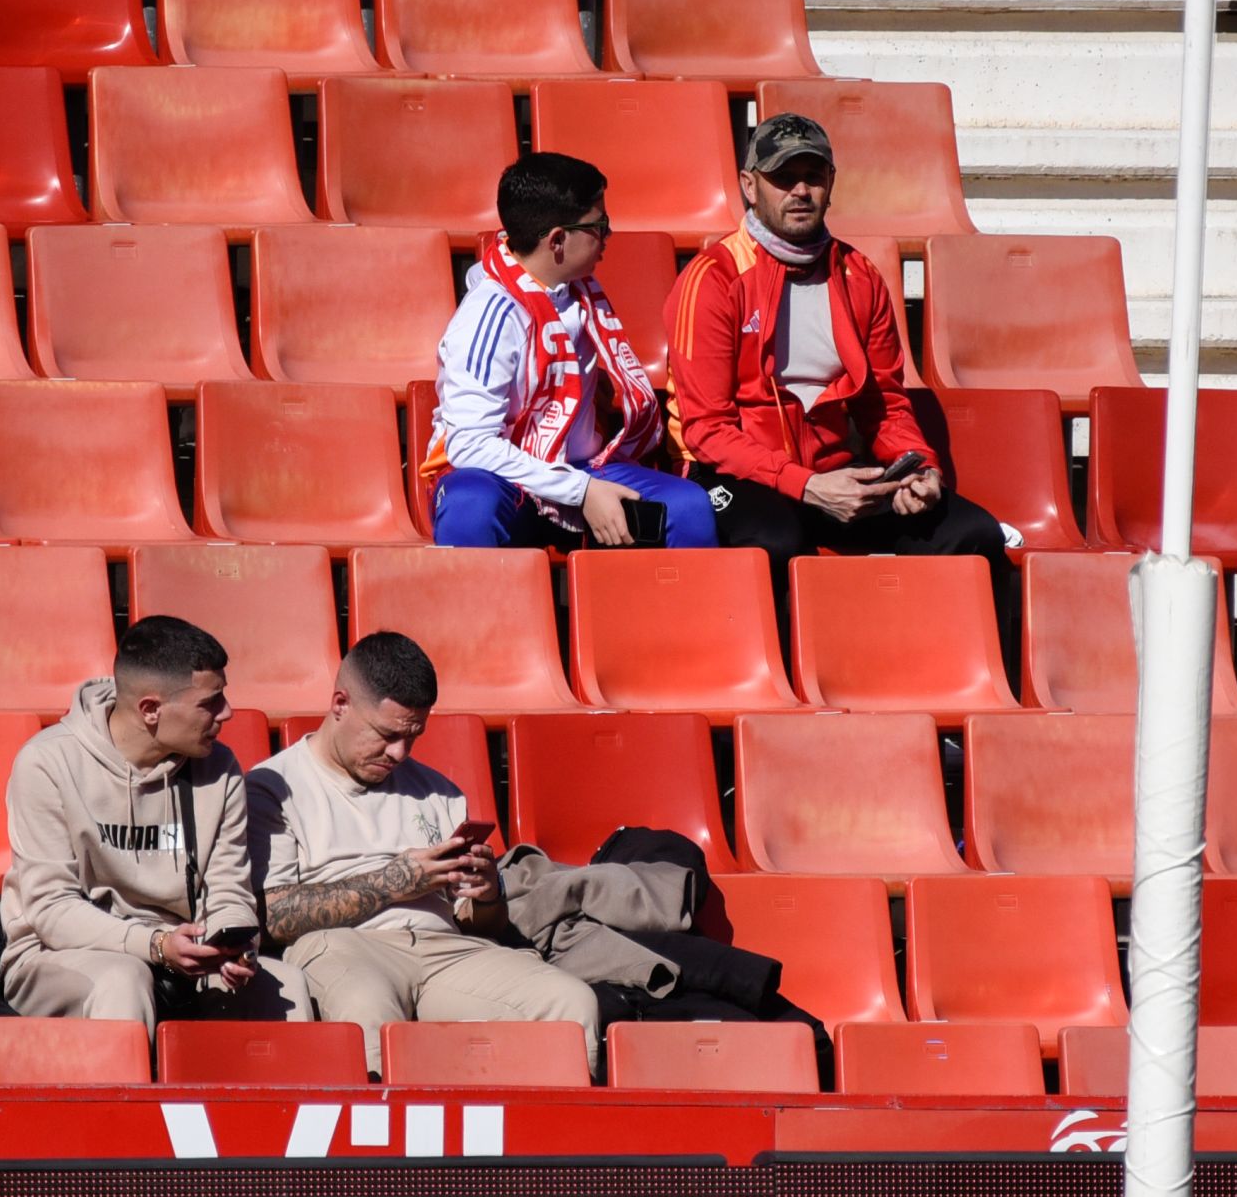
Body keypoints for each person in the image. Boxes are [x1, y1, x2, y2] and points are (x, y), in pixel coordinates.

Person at [665, 112, 1009, 605]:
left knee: (972, 534)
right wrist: (805, 486)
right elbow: (707, 430)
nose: (799, 191)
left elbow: (885, 404)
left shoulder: (859, 276)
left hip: (836, 477)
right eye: (782, 178)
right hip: (730, 476)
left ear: (831, 183)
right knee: (774, 544)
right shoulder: (712, 279)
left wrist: (920, 469)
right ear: (748, 185)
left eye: (813, 176)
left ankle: (946, 677)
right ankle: (783, 679)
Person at [247, 632, 599, 1076]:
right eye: (387, 734)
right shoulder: (273, 787)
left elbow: (478, 924)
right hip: (344, 944)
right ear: (340, 704)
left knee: (570, 1002)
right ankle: (379, 1143)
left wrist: (487, 895)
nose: (399, 753)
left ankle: (553, 1141)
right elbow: (273, 919)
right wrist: (394, 882)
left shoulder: (438, 790)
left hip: (446, 948)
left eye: (412, 737)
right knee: (366, 1007)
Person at [0, 615, 310, 1038]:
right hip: (58, 953)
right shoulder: (47, 763)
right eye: (210, 703)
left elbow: (230, 889)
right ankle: (116, 1107)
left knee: (285, 986)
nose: (228, 713)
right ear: (150, 709)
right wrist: (156, 945)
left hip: (179, 951)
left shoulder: (220, 769)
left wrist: (235, 947)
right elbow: (51, 910)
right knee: (123, 980)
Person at [422, 151, 717, 550]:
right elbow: (470, 445)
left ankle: (675, 613)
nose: (609, 235)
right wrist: (579, 490)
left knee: (686, 507)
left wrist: (582, 483)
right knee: (471, 505)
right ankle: (471, 613)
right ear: (558, 240)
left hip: (583, 467)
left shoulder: (582, 294)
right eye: (600, 225)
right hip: (505, 479)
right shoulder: (487, 317)